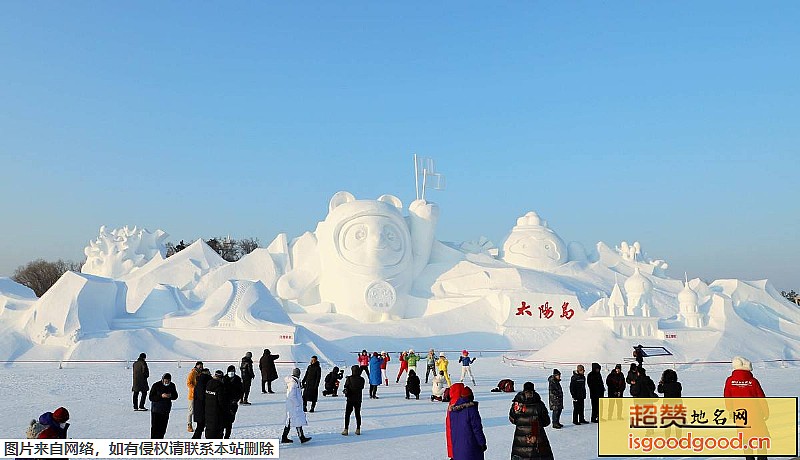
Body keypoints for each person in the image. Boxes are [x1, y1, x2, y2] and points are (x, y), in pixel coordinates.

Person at [723, 356, 768, 460]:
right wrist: (766, 412)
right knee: (761, 437)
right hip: (756, 414)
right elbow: (761, 398)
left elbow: (727, 397)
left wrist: (730, 410)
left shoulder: (730, 381)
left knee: (746, 438)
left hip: (740, 416)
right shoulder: (753, 381)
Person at [509, 382, 554, 460]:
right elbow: (546, 421)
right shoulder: (539, 404)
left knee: (521, 456)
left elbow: (512, 419)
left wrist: (521, 423)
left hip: (520, 438)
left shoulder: (517, 404)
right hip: (537, 436)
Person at [446, 383, 487, 460]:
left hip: (457, 448)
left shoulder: (452, 409)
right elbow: (477, 429)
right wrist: (482, 443)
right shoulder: (471, 410)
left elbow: (451, 430)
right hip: (471, 446)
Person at [282, 368, 311, 444]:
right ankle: (301, 437)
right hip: (294, 406)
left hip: (292, 406)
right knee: (296, 421)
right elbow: (292, 395)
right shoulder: (293, 383)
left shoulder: (295, 382)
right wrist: (297, 403)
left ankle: (285, 437)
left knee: (291, 421)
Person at [148, 373, 179, 439]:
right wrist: (161, 396)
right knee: (155, 429)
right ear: (162, 379)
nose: (166, 382)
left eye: (168, 381)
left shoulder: (172, 385)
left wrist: (170, 396)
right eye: (165, 381)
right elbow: (151, 397)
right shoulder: (156, 385)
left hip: (166, 410)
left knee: (163, 429)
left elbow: (175, 396)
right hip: (156, 410)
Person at [342, 365, 365, 436]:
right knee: (357, 414)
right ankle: (358, 429)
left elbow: (345, 386)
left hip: (350, 398)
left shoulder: (349, 378)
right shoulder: (362, 379)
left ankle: (346, 429)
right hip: (358, 398)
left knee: (347, 414)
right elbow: (362, 387)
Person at [204, 370, 227, 439]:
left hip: (207, 411)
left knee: (209, 429)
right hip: (217, 413)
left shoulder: (208, 383)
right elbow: (221, 401)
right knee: (217, 431)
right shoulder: (220, 387)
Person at [223, 365, 243, 439]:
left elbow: (241, 390)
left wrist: (237, 399)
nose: (231, 372)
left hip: (233, 403)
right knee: (223, 420)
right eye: (230, 371)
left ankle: (227, 436)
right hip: (225, 403)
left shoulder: (238, 379)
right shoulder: (224, 378)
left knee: (230, 420)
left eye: (232, 371)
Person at [191, 368, 212, 439]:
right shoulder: (203, 382)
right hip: (201, 409)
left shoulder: (200, 381)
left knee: (200, 427)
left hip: (199, 409)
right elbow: (202, 396)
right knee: (200, 427)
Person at [186, 361, 203, 432]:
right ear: (196, 366)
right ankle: (189, 425)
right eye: (199, 366)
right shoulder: (192, 373)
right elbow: (188, 383)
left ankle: (200, 425)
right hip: (192, 395)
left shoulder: (200, 374)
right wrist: (195, 388)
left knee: (199, 411)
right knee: (191, 411)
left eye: (201, 366)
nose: (201, 368)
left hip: (199, 396)